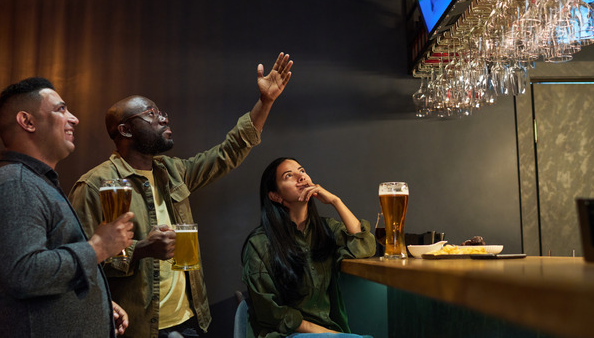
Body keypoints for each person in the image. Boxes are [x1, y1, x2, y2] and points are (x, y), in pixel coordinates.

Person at [69, 52, 294, 338]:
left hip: (189, 322)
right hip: (135, 329)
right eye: (151, 114)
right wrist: (141, 249)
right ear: (125, 130)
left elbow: (228, 152)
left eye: (161, 112)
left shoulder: (172, 171)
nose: (163, 118)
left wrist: (265, 103)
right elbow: (80, 267)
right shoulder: (95, 185)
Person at [0, 77, 135, 337]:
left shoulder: (34, 183)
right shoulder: (13, 185)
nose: (74, 119)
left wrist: (97, 304)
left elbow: (43, 279)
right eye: (61, 109)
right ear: (28, 121)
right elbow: (26, 274)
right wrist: (99, 248)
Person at [241, 157, 376, 338]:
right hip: (284, 335)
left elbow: (364, 246)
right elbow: (272, 313)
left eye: (302, 171)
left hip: (326, 333)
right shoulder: (259, 244)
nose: (301, 177)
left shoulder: (326, 228)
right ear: (275, 196)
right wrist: (329, 333)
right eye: (289, 175)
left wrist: (336, 201)